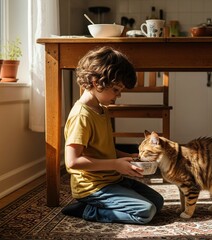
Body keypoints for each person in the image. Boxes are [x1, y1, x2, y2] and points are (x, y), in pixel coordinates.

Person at [62, 46, 164, 224]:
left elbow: (104, 149)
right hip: (93, 187)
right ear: (96, 81)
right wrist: (115, 165)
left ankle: (109, 201)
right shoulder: (81, 116)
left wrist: (128, 157)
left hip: (111, 179)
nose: (119, 95)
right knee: (145, 212)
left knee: (158, 202)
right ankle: (88, 209)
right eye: (116, 89)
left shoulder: (101, 110)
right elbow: (72, 162)